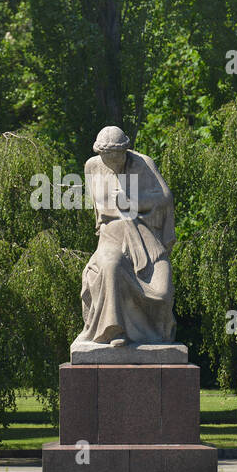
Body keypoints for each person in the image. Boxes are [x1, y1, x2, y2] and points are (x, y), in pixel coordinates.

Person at [73, 125, 176, 348]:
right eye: (107, 157)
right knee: (111, 266)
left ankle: (155, 336)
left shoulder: (142, 163)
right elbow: (98, 213)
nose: (113, 162)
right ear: (99, 153)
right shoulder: (92, 167)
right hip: (111, 237)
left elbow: (165, 199)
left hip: (144, 239)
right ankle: (113, 330)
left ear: (126, 151)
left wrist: (131, 201)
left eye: (117, 156)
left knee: (163, 291)